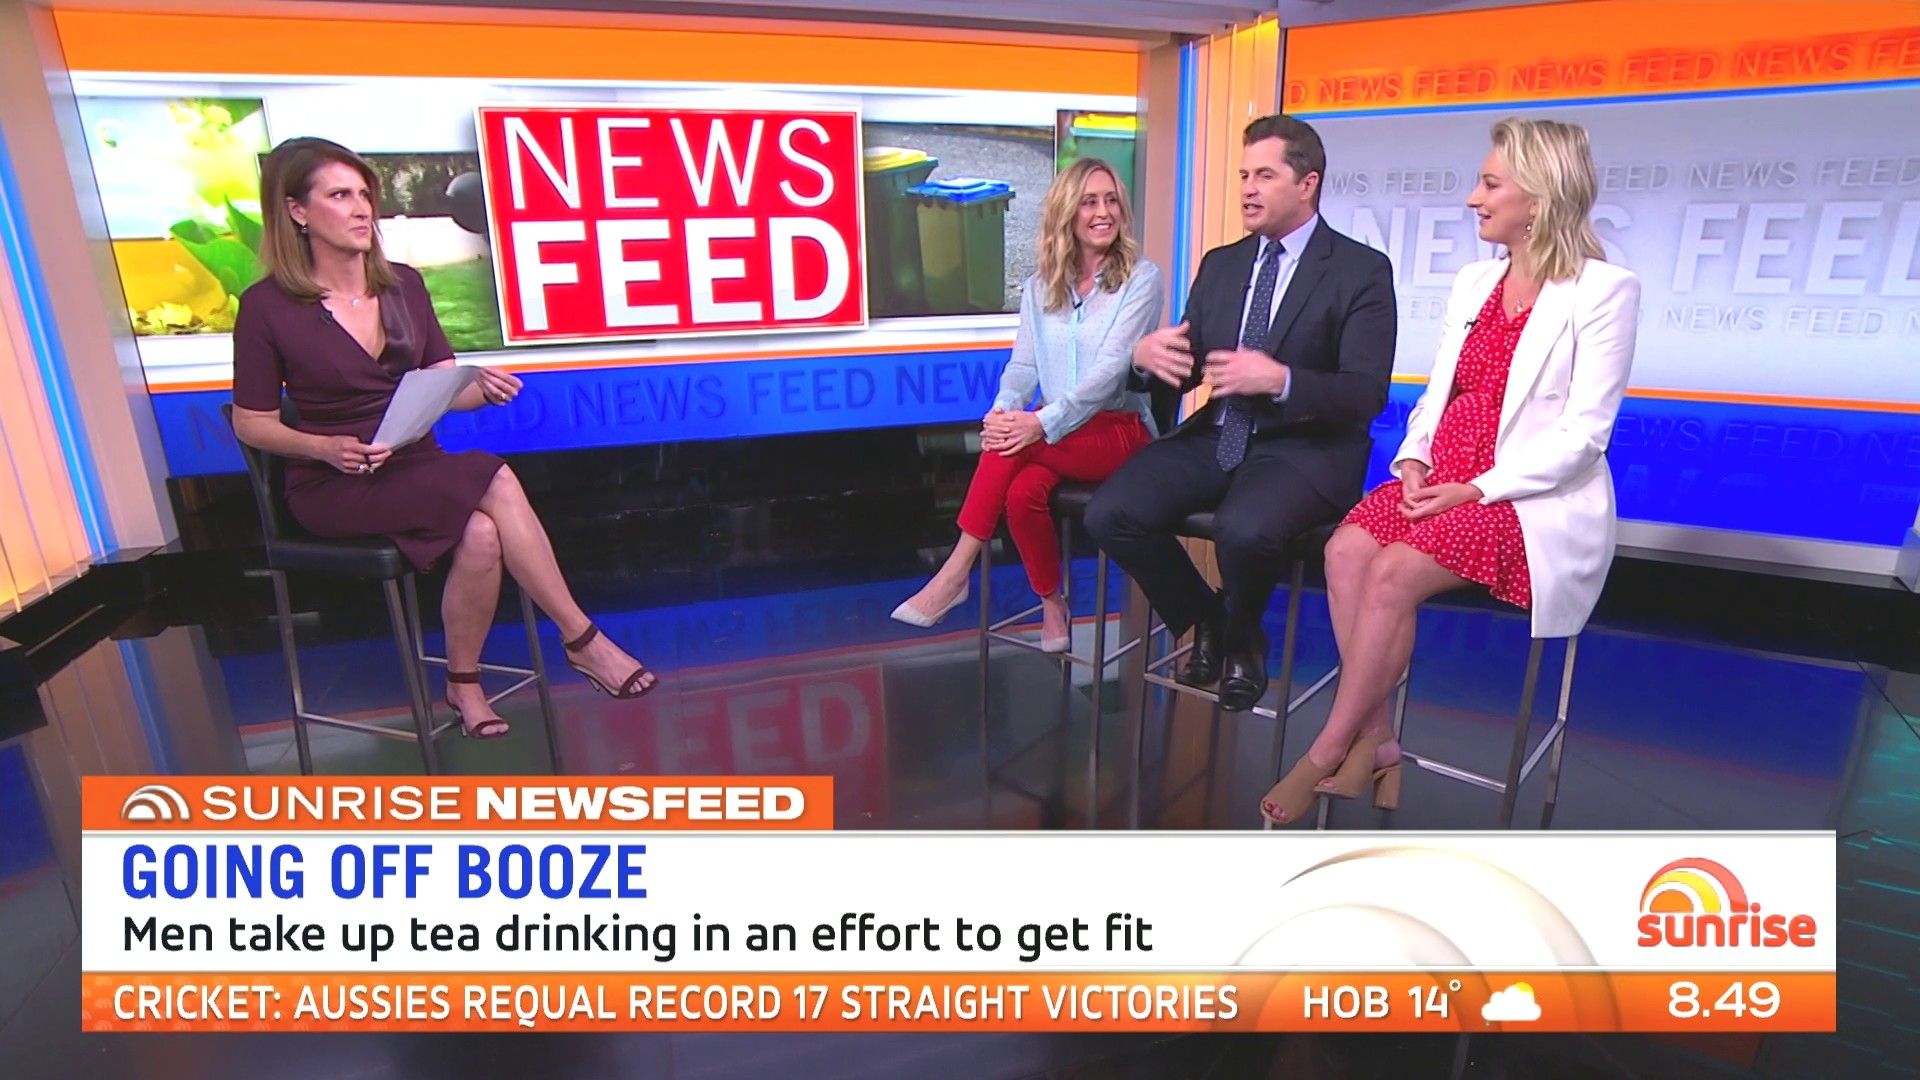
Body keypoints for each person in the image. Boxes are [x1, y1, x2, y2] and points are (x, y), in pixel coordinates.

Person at [1260, 118, 1641, 825]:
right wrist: (1414, 457)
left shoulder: (1604, 290)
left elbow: (1586, 436)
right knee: (1345, 552)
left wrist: (1477, 487)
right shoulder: (1475, 281)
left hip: (1523, 495)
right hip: (1444, 472)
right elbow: (1441, 392)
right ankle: (1379, 740)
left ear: (1540, 198)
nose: (1473, 198)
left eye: (1491, 184)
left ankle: (1328, 747)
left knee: (1392, 573)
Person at [230, 137, 657, 740]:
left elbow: (443, 388)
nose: (362, 209)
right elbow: (250, 422)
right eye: (340, 196)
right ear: (297, 211)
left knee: (482, 534)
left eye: (365, 195)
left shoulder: (403, 285)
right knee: (494, 476)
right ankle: (582, 639)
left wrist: (482, 387)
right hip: (335, 483)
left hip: (413, 464)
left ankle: (463, 685)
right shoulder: (267, 307)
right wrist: (323, 447)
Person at [1085, 115, 1397, 710]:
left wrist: (1280, 380)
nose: (1248, 190)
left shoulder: (1360, 270)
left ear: (1307, 183)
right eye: (1243, 176)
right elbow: (1189, 362)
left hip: (1306, 448)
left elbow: (1365, 393)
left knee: (1244, 530)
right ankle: (1211, 620)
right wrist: (1146, 360)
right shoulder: (1222, 263)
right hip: (1222, 434)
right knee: (1110, 513)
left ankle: (1245, 638)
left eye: (1265, 176)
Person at [892, 158, 1162, 650]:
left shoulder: (1142, 279)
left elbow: (1109, 373)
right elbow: (1023, 366)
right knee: (1020, 493)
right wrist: (1003, 409)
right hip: (1059, 436)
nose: (1103, 212)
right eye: (1089, 202)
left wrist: (1038, 423)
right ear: (1067, 213)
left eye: (1111, 201)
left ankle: (956, 572)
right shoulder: (1041, 287)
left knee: (1012, 445)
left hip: (1118, 430)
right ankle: (1053, 604)